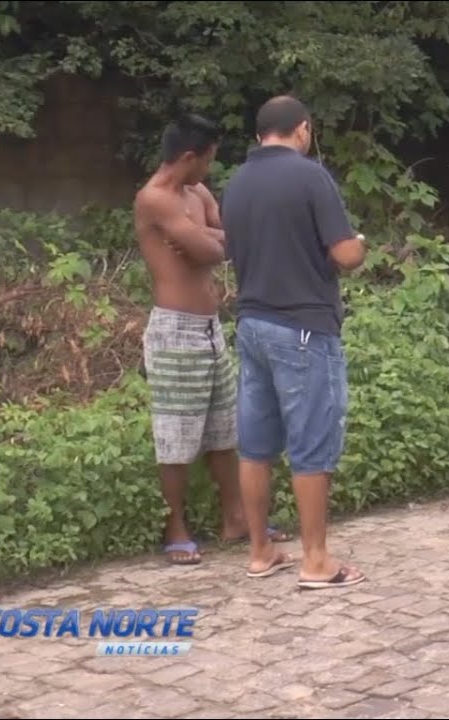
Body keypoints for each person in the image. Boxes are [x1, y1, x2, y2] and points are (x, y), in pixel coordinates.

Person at [221, 96, 367, 589]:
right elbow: (345, 254)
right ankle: (316, 561)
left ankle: (261, 550)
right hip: (304, 327)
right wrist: (360, 244)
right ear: (302, 129)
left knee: (256, 446)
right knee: (311, 445)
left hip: (252, 325)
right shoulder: (309, 176)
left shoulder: (235, 184)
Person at [134, 114, 292, 566]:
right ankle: (175, 526)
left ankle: (236, 516)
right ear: (188, 156)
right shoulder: (154, 199)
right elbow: (214, 250)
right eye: (208, 159)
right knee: (177, 434)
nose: (211, 169)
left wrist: (207, 236)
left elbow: (234, 238)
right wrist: (211, 239)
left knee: (225, 429)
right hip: (174, 328)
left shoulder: (197, 194)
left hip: (210, 328)